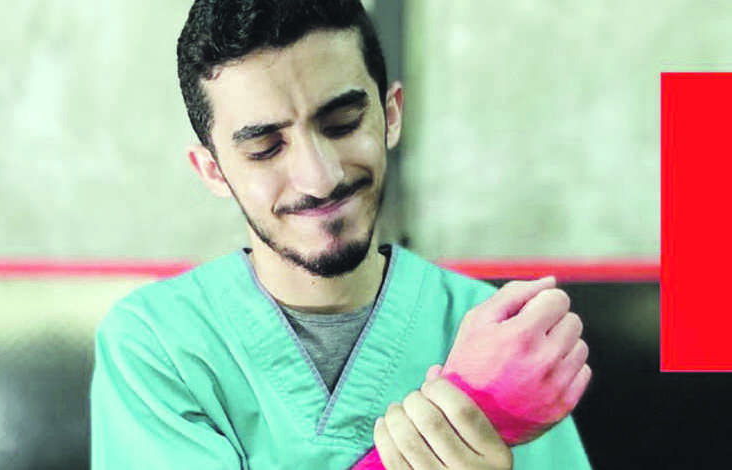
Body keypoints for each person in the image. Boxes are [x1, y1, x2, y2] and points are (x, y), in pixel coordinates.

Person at [90, 1, 592, 468]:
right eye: (265, 148)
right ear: (213, 170)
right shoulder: (158, 345)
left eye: (343, 123)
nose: (319, 177)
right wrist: (471, 412)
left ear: (391, 114)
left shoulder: (495, 332)